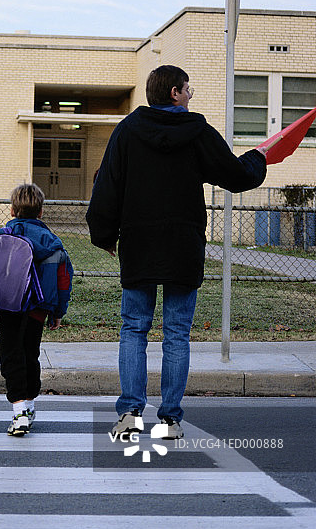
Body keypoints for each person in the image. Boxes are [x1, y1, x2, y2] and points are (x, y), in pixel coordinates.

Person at [86, 65, 267, 440]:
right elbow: (234, 174)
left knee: (134, 328)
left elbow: (107, 183)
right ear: (174, 93)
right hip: (183, 246)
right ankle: (169, 421)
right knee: (177, 333)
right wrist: (258, 157)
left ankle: (130, 416)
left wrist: (105, 234)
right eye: (188, 89)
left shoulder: (127, 131)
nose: (191, 95)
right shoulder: (197, 131)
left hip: (139, 244)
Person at [0, 183, 73, 436]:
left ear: (13, 210)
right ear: (41, 212)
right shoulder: (53, 242)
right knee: (30, 353)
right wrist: (58, 312)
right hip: (37, 308)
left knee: (11, 355)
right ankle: (30, 403)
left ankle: (19, 413)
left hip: (7, 305)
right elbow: (63, 279)